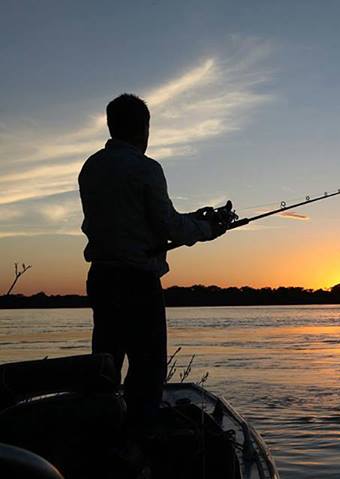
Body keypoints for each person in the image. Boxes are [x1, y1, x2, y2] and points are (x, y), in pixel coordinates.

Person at [78, 93, 227, 430]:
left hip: (101, 278)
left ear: (111, 125)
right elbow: (168, 226)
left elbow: (137, 221)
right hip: (137, 284)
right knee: (147, 372)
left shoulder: (91, 168)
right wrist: (208, 229)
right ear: (143, 128)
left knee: (105, 364)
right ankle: (139, 445)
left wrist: (193, 218)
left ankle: (101, 436)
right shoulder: (146, 169)